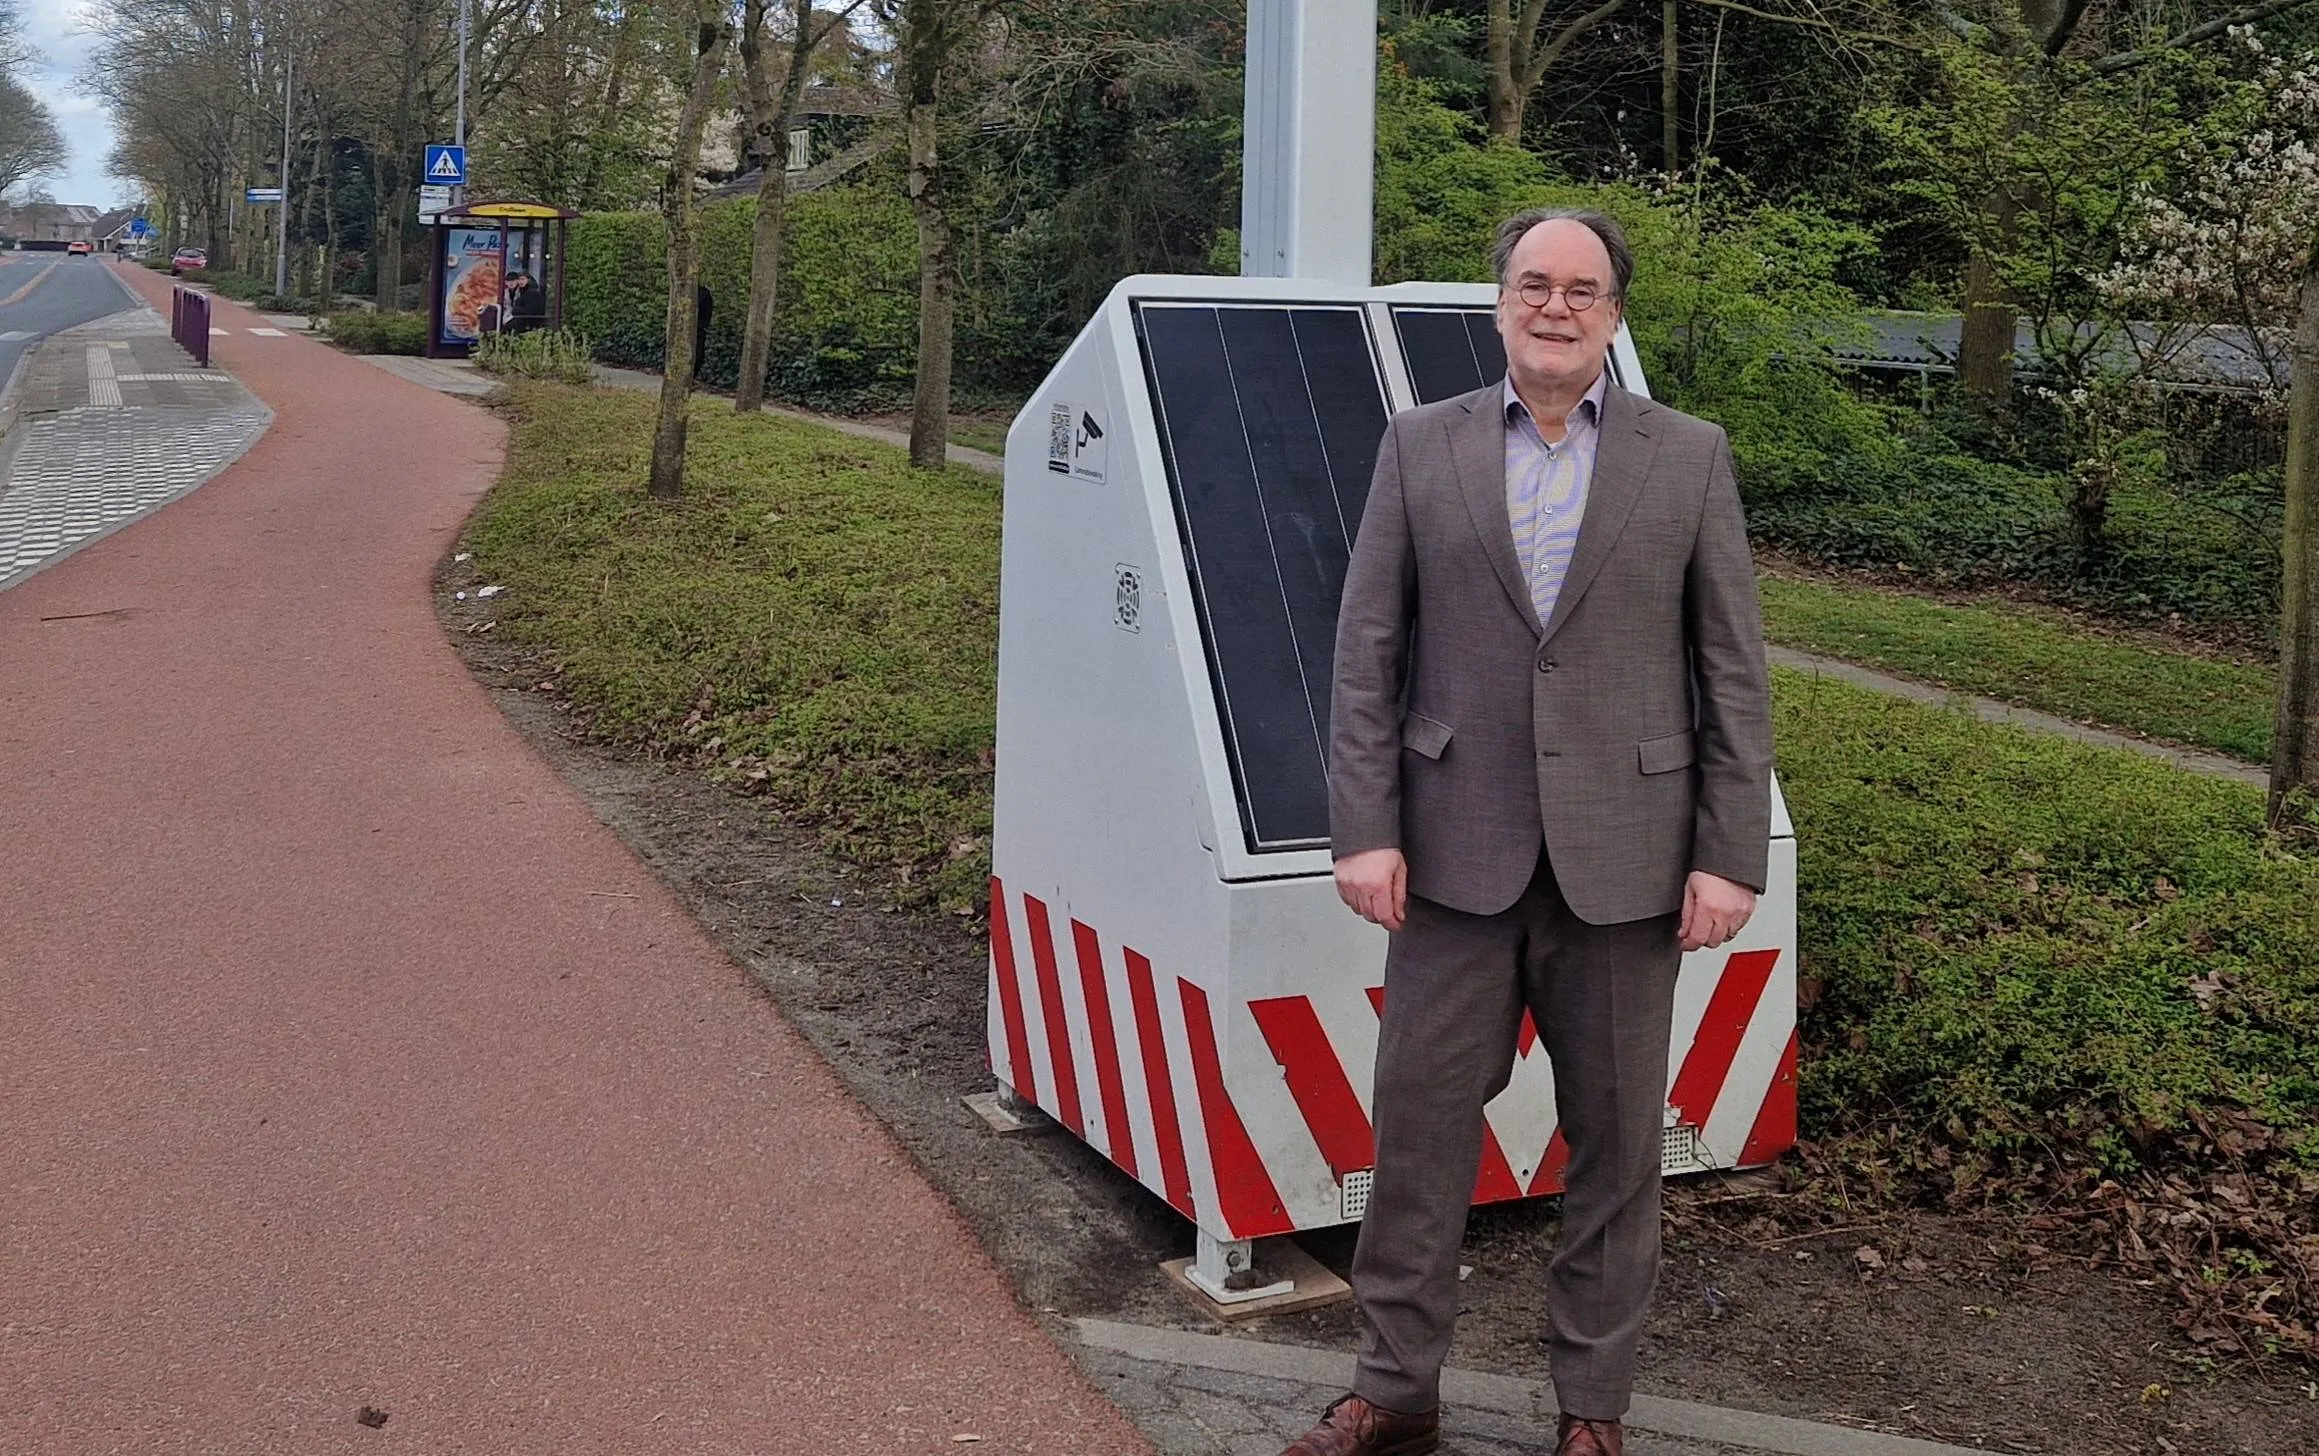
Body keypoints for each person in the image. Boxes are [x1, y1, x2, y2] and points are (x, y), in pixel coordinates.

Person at [1281, 208, 1773, 1456]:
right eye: (1535, 284)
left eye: (1585, 288)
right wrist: (1363, 827)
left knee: (1617, 1154)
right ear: (1500, 303)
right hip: (1453, 855)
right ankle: (1395, 1394)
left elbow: (1734, 671)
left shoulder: (1690, 455)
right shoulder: (1419, 445)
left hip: (1631, 861)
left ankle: (1591, 1415)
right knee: (1417, 1133)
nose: (1557, 306)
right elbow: (1366, 653)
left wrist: (1729, 850)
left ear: (1614, 313)